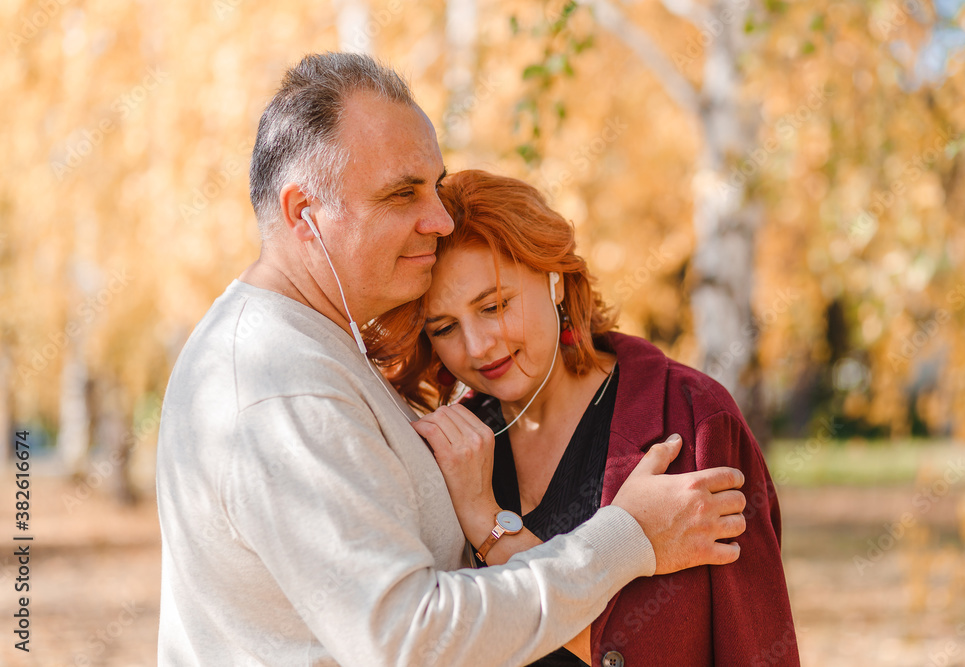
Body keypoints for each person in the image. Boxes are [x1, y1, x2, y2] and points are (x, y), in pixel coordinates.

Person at [156, 52, 749, 666]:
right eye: (402, 194)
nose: (439, 220)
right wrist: (627, 539)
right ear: (305, 214)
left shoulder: (314, 350)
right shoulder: (281, 388)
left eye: (433, 187)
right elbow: (412, 641)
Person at [366, 169, 800, 666]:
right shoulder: (445, 454)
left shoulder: (696, 418)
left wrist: (488, 524)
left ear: (554, 278)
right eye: (444, 328)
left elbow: (755, 647)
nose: (477, 346)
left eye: (494, 305)